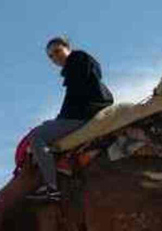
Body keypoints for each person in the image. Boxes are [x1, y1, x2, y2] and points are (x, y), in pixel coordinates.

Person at [27, 36, 114, 201]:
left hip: (84, 116)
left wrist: (59, 120)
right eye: (51, 56)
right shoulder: (80, 65)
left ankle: (51, 188)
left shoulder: (77, 59)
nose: (55, 57)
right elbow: (75, 98)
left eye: (57, 51)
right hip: (87, 113)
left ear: (68, 48)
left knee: (36, 136)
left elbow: (75, 98)